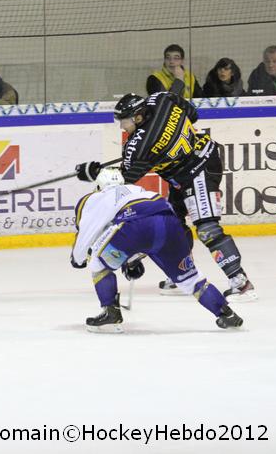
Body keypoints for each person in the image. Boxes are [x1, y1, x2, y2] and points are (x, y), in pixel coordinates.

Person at [74, 92, 257, 302]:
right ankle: (182, 274)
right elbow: (193, 114)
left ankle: (241, 283)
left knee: (207, 229)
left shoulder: (138, 145)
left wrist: (94, 173)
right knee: (173, 224)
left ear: (138, 117)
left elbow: (124, 179)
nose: (122, 127)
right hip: (194, 163)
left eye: (124, 121)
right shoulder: (162, 99)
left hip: (198, 170)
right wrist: (171, 139)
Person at [70, 167, 244, 332]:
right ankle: (226, 314)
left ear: (99, 186)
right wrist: (132, 260)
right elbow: (153, 230)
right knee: (191, 279)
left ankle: (111, 313)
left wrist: (77, 259)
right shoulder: (138, 189)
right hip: (170, 224)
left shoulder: (95, 198)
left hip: (136, 226)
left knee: (98, 264)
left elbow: (88, 232)